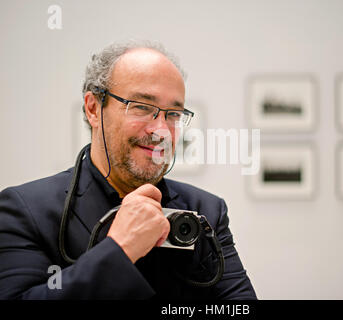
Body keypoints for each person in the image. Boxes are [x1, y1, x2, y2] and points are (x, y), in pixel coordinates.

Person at [0, 40, 257, 300]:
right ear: (93, 108)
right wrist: (120, 249)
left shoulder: (206, 211)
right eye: (142, 107)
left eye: (173, 114)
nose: (161, 131)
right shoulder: (25, 211)